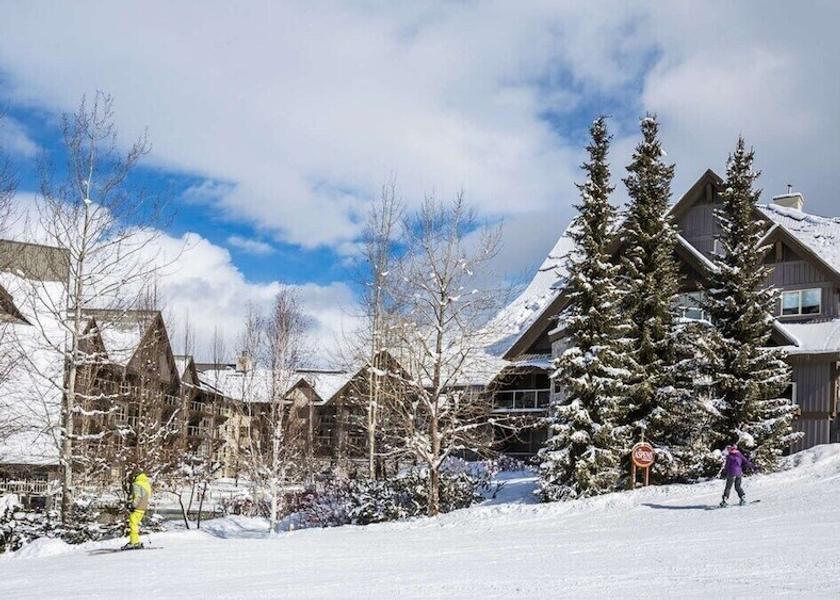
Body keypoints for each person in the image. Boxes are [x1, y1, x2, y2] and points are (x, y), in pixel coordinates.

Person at [123, 470, 152, 550]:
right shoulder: (146, 483)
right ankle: (134, 540)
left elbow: (138, 496)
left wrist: (133, 505)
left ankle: (135, 542)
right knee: (135, 524)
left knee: (133, 524)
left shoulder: (137, 484)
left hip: (138, 507)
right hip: (143, 506)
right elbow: (147, 495)